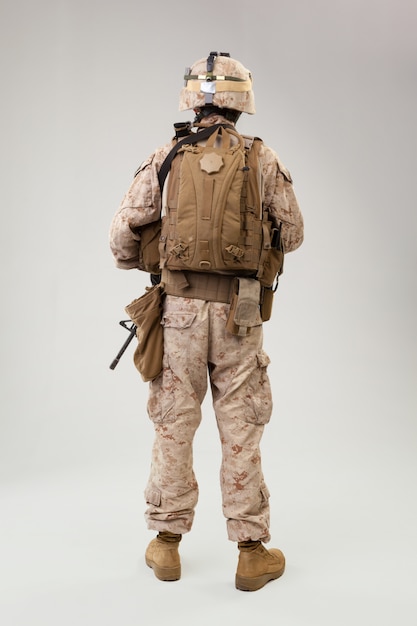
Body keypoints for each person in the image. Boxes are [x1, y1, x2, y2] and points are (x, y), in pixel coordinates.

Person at [109, 51, 304, 591]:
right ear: (243, 101)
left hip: (179, 313)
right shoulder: (262, 159)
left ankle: (166, 546)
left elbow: (121, 237)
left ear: (192, 99)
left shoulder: (166, 156)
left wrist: (153, 257)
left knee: (174, 423)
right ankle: (250, 552)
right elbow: (293, 234)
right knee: (241, 428)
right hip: (241, 312)